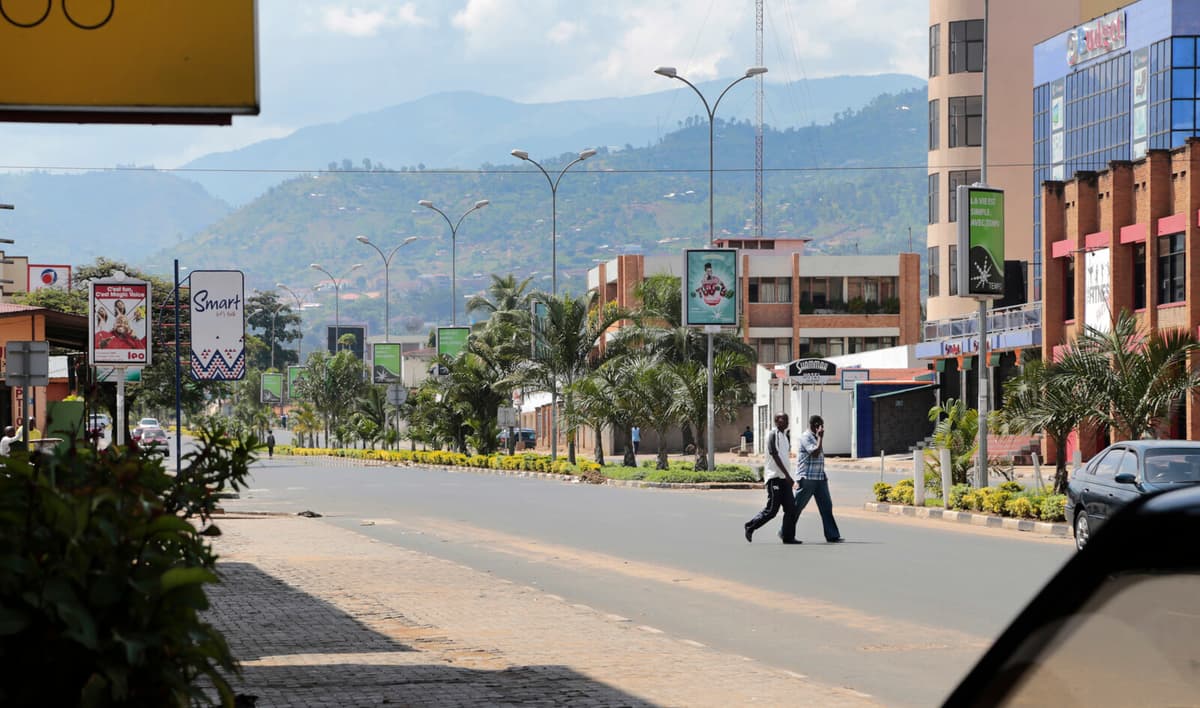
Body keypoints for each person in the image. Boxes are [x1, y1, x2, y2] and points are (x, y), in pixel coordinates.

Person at [744, 413, 800, 544]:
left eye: (787, 419)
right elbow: (774, 455)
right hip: (774, 478)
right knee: (772, 510)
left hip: (784, 479)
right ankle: (750, 526)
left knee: (791, 509)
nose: (786, 421)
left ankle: (788, 536)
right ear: (776, 421)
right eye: (783, 419)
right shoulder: (772, 435)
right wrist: (788, 476)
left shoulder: (785, 437)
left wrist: (787, 477)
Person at [793, 414, 843, 543]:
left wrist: (823, 474)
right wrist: (820, 437)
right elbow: (815, 453)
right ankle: (785, 531)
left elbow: (819, 458)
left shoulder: (816, 437)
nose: (822, 428)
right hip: (807, 478)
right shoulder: (806, 437)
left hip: (820, 479)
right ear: (815, 425)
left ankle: (832, 535)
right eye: (820, 425)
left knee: (826, 507)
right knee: (797, 507)